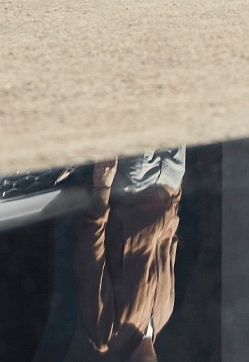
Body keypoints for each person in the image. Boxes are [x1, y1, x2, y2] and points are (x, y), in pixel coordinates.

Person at [75, 151, 185, 359]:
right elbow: (170, 240)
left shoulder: (105, 335)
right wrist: (176, 189)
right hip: (171, 177)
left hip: (134, 183)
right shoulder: (164, 315)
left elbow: (90, 257)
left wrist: (102, 187)